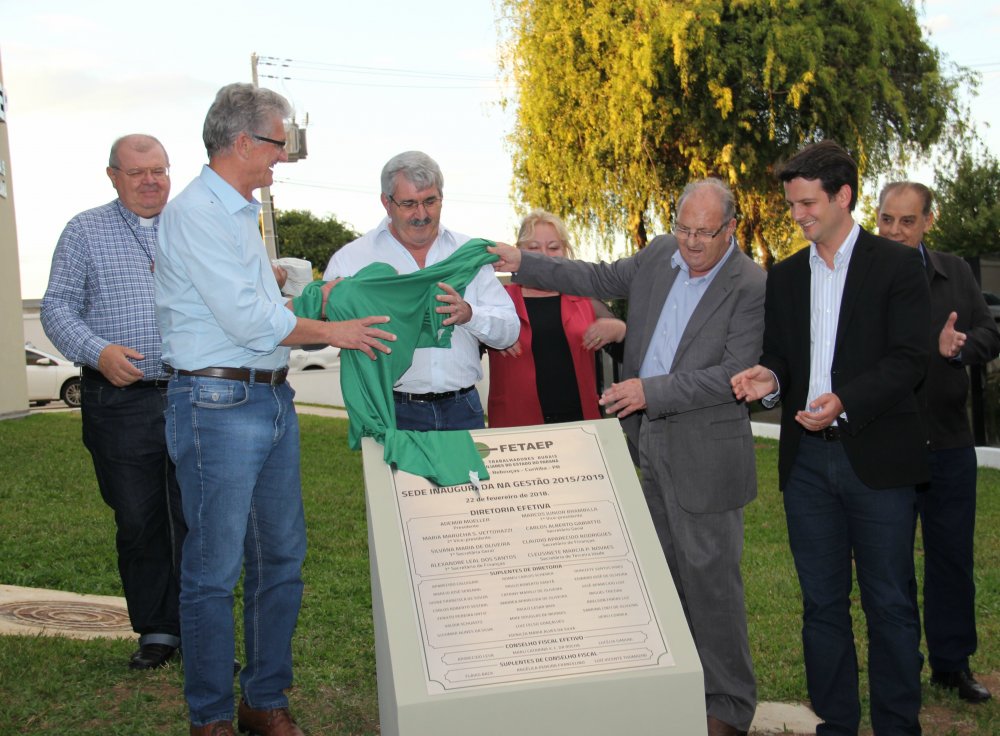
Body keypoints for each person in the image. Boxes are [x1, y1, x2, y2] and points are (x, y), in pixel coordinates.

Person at [155, 83, 395, 736]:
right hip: (217, 403)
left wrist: (299, 284)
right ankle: (210, 717)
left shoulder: (236, 212)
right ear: (241, 143)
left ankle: (263, 700)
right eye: (278, 145)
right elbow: (248, 319)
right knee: (213, 571)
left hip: (267, 399)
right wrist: (334, 329)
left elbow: (254, 298)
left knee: (281, 558)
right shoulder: (197, 214)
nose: (282, 159)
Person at [490, 179, 764, 736]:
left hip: (705, 452)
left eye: (703, 234)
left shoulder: (751, 284)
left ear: (730, 229)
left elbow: (731, 373)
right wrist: (524, 261)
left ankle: (729, 707)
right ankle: (683, 687)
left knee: (712, 584)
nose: (689, 243)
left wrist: (649, 390)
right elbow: (592, 277)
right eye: (682, 228)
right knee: (663, 578)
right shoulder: (661, 253)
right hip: (648, 443)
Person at [732, 141, 930, 735]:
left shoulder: (896, 267)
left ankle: (898, 726)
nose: (797, 215)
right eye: (792, 204)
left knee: (890, 605)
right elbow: (781, 361)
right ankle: (836, 724)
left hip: (877, 460)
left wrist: (846, 401)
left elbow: (910, 360)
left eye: (807, 203)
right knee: (821, 608)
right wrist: (768, 378)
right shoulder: (787, 276)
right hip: (807, 466)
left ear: (844, 196)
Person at [41, 134, 184, 671]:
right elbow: (56, 307)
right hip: (119, 401)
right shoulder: (84, 231)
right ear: (112, 176)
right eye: (138, 172)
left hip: (192, 394)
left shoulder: (190, 226)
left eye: (160, 170)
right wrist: (97, 352)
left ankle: (199, 628)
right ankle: (158, 630)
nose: (151, 181)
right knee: (139, 518)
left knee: (196, 517)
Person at [878, 181, 998, 704]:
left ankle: (953, 666)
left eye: (907, 220)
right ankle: (902, 665)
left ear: (929, 221)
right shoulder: (860, 277)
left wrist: (959, 346)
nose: (896, 231)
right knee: (891, 564)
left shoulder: (957, 273)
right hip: (887, 444)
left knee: (951, 561)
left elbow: (990, 335)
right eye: (887, 219)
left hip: (949, 443)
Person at [323, 150, 519, 431]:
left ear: (442, 197)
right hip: (391, 411)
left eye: (430, 201)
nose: (422, 214)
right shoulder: (352, 260)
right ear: (386, 203)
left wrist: (469, 315)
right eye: (409, 204)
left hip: (463, 409)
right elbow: (331, 327)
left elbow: (509, 331)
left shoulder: (469, 254)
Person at [486, 209, 626, 427]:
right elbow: (462, 353)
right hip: (516, 432)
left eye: (553, 247)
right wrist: (484, 332)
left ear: (566, 251)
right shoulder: (495, 302)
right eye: (533, 248)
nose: (543, 255)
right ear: (518, 251)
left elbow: (631, 355)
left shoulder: (587, 301)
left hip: (580, 428)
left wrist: (620, 331)